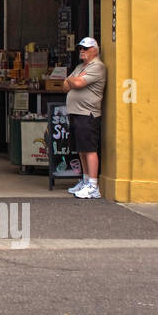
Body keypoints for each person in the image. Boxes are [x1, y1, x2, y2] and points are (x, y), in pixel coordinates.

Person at [64, 36, 107, 199]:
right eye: (81, 48)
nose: (82, 51)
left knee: (89, 149)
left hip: (88, 114)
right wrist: (71, 80)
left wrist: (70, 79)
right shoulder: (80, 66)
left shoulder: (97, 67)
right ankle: (85, 179)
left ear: (95, 50)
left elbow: (78, 83)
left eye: (86, 48)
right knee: (81, 149)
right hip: (76, 113)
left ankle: (93, 185)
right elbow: (65, 86)